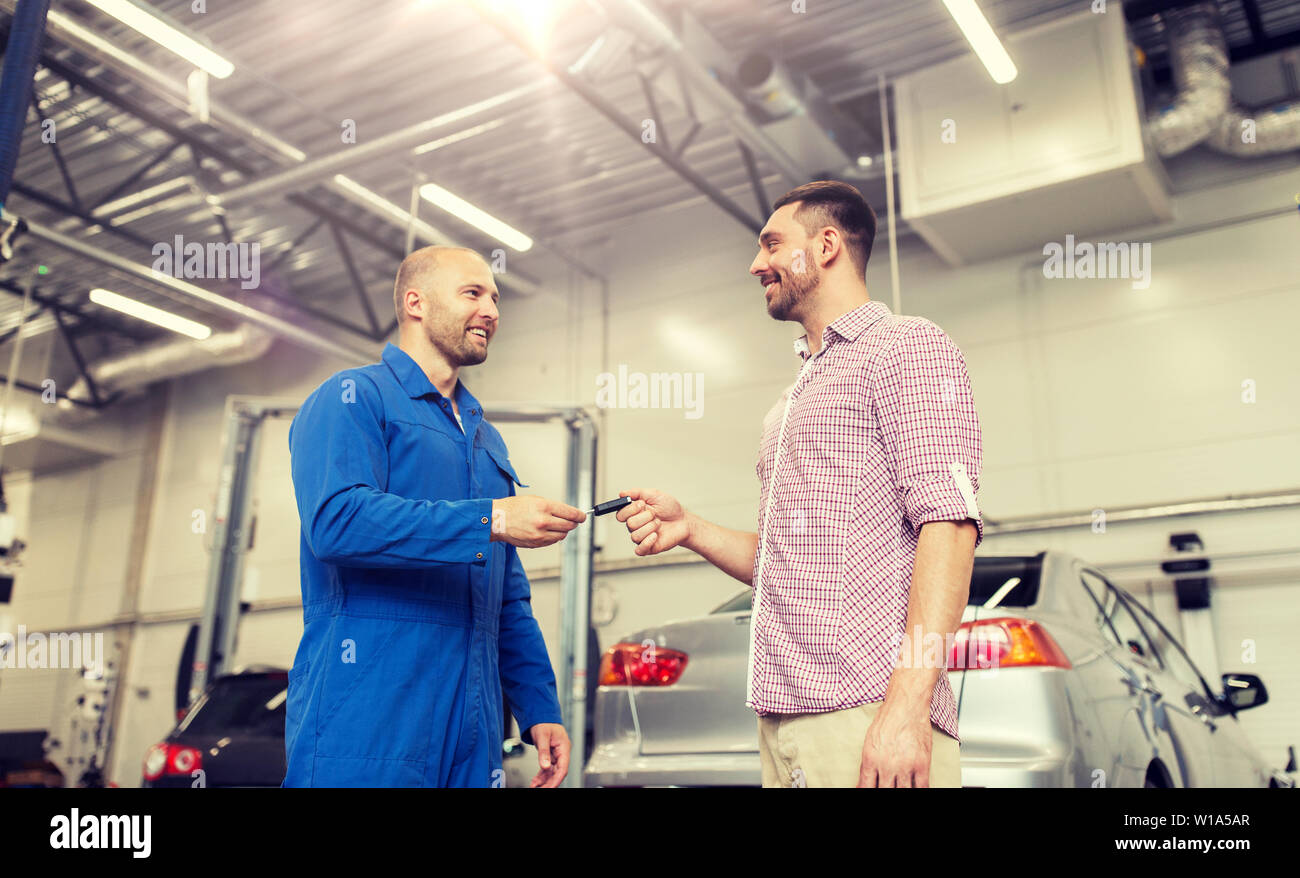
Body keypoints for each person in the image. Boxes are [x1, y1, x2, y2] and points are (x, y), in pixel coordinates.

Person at [617, 181, 983, 788]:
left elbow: (949, 527)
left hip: (869, 711)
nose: (754, 263)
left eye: (771, 244)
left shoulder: (907, 348)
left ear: (828, 245)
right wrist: (693, 529)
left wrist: (906, 708)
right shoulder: (793, 401)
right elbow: (785, 562)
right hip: (787, 721)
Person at [283, 245, 585, 788]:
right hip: (369, 710)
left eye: (495, 297)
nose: (492, 310)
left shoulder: (483, 436)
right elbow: (337, 522)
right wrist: (489, 520)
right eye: (473, 293)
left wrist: (540, 706)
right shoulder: (352, 399)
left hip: (473, 722)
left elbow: (507, 595)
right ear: (415, 303)